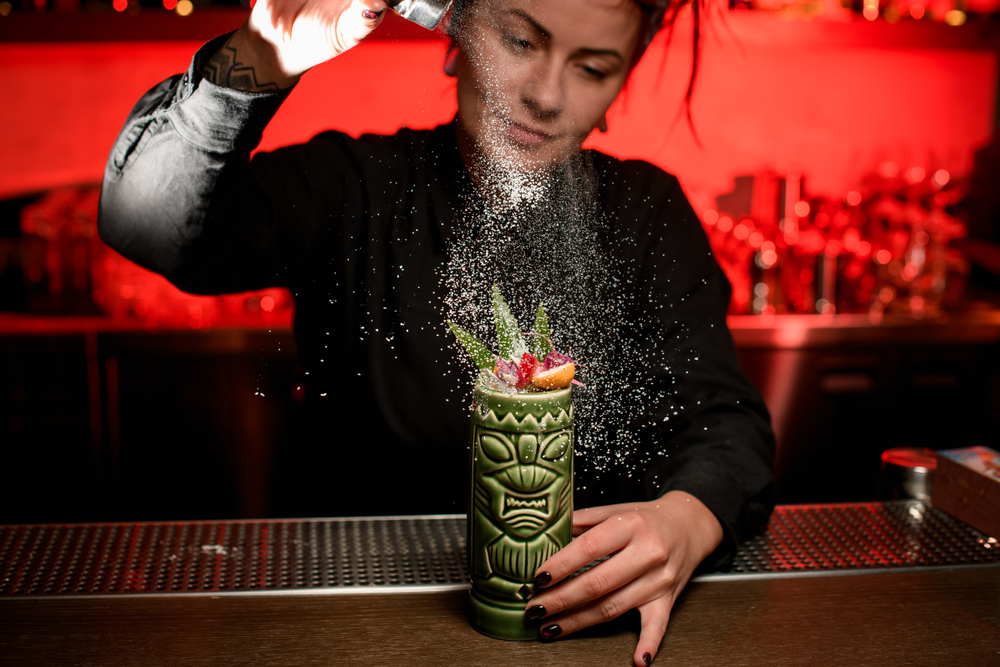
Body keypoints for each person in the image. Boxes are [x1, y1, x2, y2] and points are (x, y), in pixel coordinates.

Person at [98, 0, 775, 664]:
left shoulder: (644, 214)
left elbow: (727, 423)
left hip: (590, 635)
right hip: (356, 629)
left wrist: (686, 518)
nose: (545, 94)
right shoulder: (357, 189)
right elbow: (143, 222)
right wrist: (259, 55)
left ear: (616, 90)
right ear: (456, 43)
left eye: (592, 68)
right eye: (518, 41)